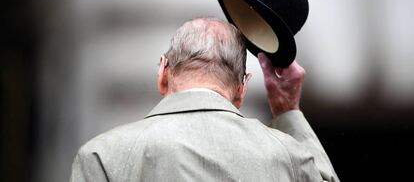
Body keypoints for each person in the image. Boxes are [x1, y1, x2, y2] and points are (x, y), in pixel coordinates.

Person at [69, 17, 339, 181]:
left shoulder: (101, 156)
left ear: (163, 72)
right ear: (241, 89)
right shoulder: (287, 155)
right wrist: (288, 110)